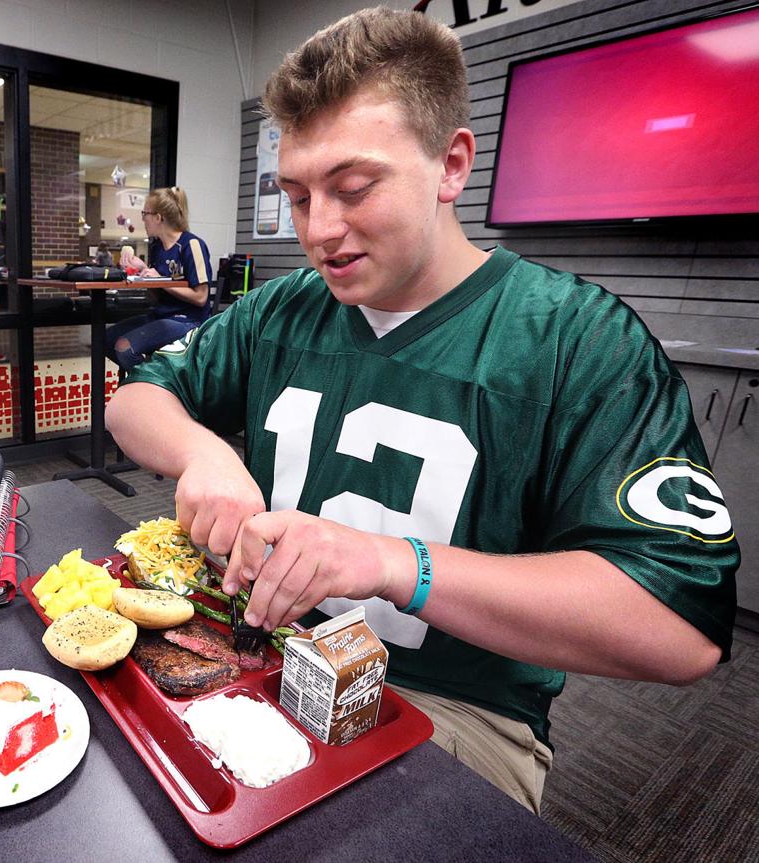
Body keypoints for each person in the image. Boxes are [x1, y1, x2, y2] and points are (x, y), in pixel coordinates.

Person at [106, 8, 737, 814]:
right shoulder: (282, 312)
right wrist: (204, 453)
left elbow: (678, 627)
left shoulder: (575, 339)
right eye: (297, 196)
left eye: (354, 188)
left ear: (451, 165)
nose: (318, 230)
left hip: (451, 705)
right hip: (261, 651)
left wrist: (395, 562)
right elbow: (137, 402)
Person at [104, 187, 213, 371]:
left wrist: (160, 279)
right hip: (161, 315)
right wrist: (143, 272)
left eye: (145, 213)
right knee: (106, 339)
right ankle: (154, 379)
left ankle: (156, 384)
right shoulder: (157, 248)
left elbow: (201, 297)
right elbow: (155, 297)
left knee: (124, 348)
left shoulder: (191, 245)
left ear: (158, 217)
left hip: (189, 320)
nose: (143, 218)